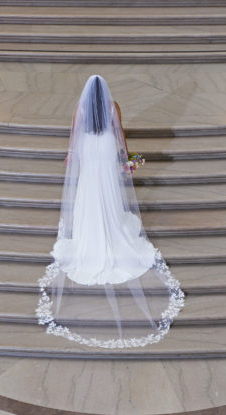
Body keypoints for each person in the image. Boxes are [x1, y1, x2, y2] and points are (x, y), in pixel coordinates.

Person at [36, 75, 184, 349]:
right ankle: (111, 230)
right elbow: (119, 132)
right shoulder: (113, 106)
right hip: (104, 147)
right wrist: (128, 157)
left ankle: (89, 235)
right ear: (104, 93)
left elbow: (74, 135)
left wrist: (72, 153)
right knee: (108, 189)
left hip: (89, 148)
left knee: (89, 188)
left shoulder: (79, 109)